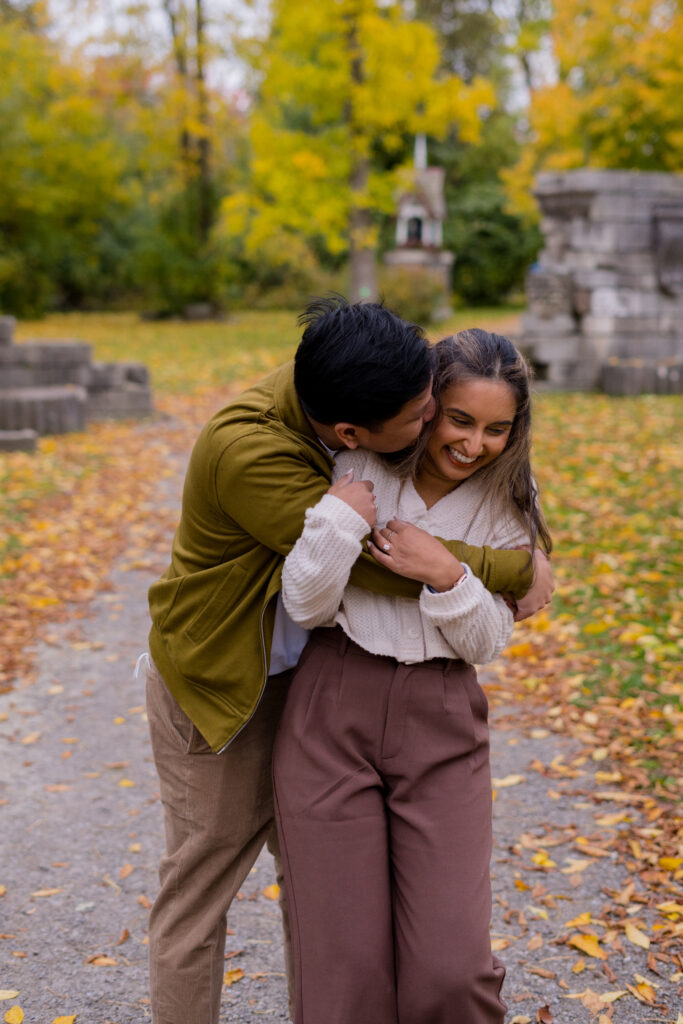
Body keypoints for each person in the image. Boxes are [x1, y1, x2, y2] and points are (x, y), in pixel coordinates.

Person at [144, 298, 547, 1024]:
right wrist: (507, 572)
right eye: (432, 415)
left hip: (326, 682)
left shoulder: (351, 383)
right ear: (348, 433)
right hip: (226, 681)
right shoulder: (276, 456)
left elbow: (473, 619)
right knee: (209, 883)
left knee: (371, 932)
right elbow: (364, 564)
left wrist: (486, 561)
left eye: (438, 405)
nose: (437, 427)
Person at [273, 328, 553, 1024]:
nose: (473, 443)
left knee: (449, 971)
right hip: (332, 708)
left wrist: (446, 574)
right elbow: (305, 603)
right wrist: (340, 523)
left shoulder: (507, 498)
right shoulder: (360, 466)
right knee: (341, 969)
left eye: (496, 428)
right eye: (458, 419)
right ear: (427, 407)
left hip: (442, 719)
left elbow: (489, 640)